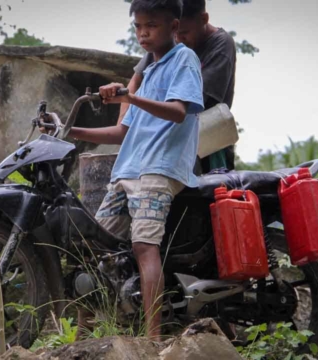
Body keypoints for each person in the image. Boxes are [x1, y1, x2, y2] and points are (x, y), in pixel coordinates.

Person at [66, 0, 204, 340]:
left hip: (159, 168)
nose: (143, 33)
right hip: (127, 169)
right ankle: (86, 334)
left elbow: (176, 112)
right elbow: (123, 132)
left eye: (152, 26)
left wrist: (130, 95)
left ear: (173, 26)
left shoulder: (183, 59)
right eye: (138, 26)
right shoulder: (147, 72)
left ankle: (152, 338)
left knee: (144, 246)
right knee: (93, 245)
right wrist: (70, 131)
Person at [119, 0, 237, 174]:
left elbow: (188, 104)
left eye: (184, 33)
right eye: (175, 34)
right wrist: (124, 127)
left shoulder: (220, 44)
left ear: (203, 19)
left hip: (205, 138)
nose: (178, 39)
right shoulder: (166, 42)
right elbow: (135, 81)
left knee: (206, 193)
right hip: (163, 142)